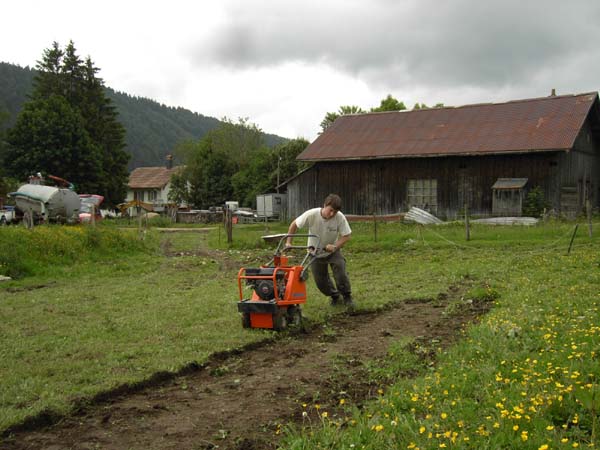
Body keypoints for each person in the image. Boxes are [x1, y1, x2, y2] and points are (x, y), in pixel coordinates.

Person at [285, 194, 354, 309]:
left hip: (332, 251)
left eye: (335, 212)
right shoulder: (312, 214)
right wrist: (288, 242)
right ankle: (334, 296)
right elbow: (294, 225)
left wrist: (335, 246)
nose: (332, 214)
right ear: (325, 205)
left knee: (340, 270)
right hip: (314, 252)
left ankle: (347, 296)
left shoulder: (339, 217)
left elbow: (346, 235)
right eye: (330, 210)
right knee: (321, 282)